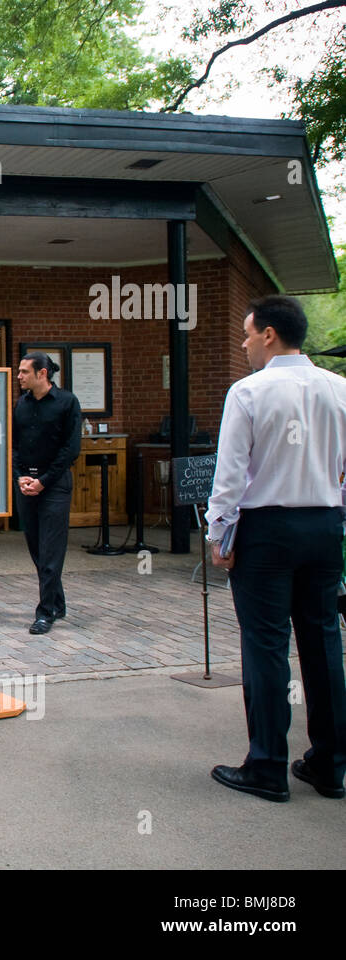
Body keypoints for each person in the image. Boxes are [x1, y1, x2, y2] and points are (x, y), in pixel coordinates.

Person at [205, 295, 346, 802]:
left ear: (268, 334)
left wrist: (218, 534)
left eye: (246, 335)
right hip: (326, 526)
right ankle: (331, 764)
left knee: (265, 645)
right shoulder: (340, 390)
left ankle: (266, 765)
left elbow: (230, 474)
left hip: (267, 530)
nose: (243, 344)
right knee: (324, 642)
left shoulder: (248, 392)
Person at [12, 352, 81, 635]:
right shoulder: (21, 404)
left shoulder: (67, 402)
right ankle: (57, 602)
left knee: (51, 549)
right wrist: (21, 477)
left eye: (24, 372)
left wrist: (44, 481)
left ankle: (45, 613)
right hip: (28, 483)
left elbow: (71, 449)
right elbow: (14, 445)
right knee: (37, 549)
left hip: (55, 484)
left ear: (42, 374)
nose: (19, 376)